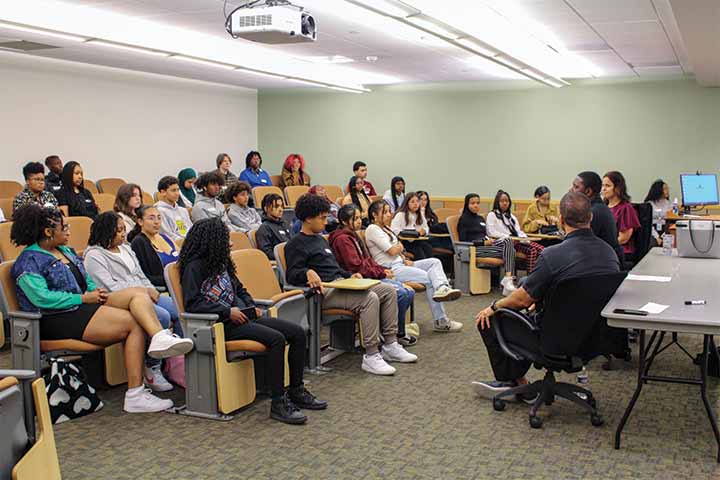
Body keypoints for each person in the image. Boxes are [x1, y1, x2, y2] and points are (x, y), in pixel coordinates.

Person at [10, 204, 192, 413]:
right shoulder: (28, 261)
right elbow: (41, 298)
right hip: (57, 318)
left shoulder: (65, 251)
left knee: (139, 294)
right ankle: (135, 394)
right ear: (48, 232)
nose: (69, 231)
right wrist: (83, 297)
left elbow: (85, 279)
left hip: (83, 305)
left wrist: (93, 292)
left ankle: (159, 337)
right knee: (134, 323)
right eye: (64, 227)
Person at [472, 192, 621, 398]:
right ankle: (516, 383)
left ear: (561, 220)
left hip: (553, 341)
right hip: (593, 340)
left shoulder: (553, 255)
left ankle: (515, 383)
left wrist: (494, 306)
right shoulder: (609, 253)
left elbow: (521, 300)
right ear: (591, 218)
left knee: (489, 317)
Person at [180, 217, 326, 424]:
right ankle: (278, 402)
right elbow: (192, 304)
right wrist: (226, 312)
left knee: (297, 333)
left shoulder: (221, 262)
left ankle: (296, 389)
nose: (229, 242)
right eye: (225, 238)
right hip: (219, 326)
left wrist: (250, 307)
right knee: (275, 339)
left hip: (241, 318)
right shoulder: (194, 268)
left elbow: (240, 289)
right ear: (212, 241)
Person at [285, 194, 417, 375]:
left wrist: (350, 274)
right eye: (322, 218)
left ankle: (390, 344)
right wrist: (307, 272)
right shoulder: (295, 244)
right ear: (308, 219)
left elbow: (333, 268)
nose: (325, 222)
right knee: (369, 298)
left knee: (388, 290)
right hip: (325, 293)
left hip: (342, 283)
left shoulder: (319, 239)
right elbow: (291, 274)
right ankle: (371, 355)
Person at [84, 212, 182, 392]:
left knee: (180, 310)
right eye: (118, 230)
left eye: (123, 229)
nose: (123, 234)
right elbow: (110, 287)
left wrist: (150, 288)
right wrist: (142, 290)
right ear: (106, 232)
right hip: (120, 301)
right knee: (163, 316)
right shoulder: (94, 256)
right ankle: (152, 365)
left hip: (142, 293)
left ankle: (177, 362)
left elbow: (140, 275)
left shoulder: (127, 249)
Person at [365, 200, 463, 332]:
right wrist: (399, 249)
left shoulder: (386, 229)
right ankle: (441, 321)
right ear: (374, 215)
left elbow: (399, 249)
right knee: (429, 279)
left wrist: (403, 256)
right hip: (391, 269)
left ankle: (442, 287)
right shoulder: (373, 229)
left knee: (434, 262)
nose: (390, 214)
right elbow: (393, 250)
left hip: (401, 263)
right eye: (385, 212)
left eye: (389, 211)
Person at [329, 204, 417, 346]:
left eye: (359, 217)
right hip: (357, 280)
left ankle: (395, 330)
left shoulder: (354, 235)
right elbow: (357, 266)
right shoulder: (342, 239)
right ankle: (391, 332)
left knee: (408, 291)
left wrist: (381, 270)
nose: (359, 221)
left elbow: (368, 260)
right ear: (345, 222)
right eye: (355, 218)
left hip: (369, 275)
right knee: (401, 293)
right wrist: (380, 272)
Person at [457, 194, 518, 295]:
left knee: (508, 241)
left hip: (487, 246)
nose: (476, 205)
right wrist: (483, 243)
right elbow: (463, 240)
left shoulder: (480, 218)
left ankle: (507, 278)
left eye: (478, 203)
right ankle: (508, 280)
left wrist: (489, 240)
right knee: (511, 251)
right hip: (475, 249)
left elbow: (484, 234)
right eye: (473, 203)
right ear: (467, 205)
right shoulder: (464, 220)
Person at [486, 190, 545, 273]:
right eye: (502, 201)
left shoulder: (511, 217)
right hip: (502, 243)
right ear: (497, 202)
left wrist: (524, 238)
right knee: (535, 250)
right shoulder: (492, 215)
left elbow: (518, 231)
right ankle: (530, 279)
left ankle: (532, 276)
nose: (505, 203)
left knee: (540, 250)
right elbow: (491, 232)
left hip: (516, 242)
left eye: (507, 201)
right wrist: (508, 236)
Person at [571, 171, 623, 261]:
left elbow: (580, 245)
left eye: (576, 187)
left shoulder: (594, 212)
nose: (571, 190)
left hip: (603, 263)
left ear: (588, 192)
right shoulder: (598, 207)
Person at [129, 205, 179, 289]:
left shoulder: (165, 237)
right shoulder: (139, 242)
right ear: (140, 221)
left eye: (159, 218)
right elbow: (145, 276)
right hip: (166, 286)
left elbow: (183, 258)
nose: (157, 222)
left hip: (181, 280)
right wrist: (174, 279)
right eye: (151, 218)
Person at [603, 171, 641, 257]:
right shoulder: (603, 207)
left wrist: (603, 247)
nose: (603, 189)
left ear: (618, 188)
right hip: (606, 249)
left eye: (608, 186)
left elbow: (624, 238)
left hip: (620, 251)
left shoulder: (626, 208)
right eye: (603, 185)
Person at [390, 192, 434, 260]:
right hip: (405, 243)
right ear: (407, 203)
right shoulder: (400, 215)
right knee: (419, 252)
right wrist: (410, 233)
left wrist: (424, 231)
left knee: (428, 248)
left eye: (417, 201)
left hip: (418, 241)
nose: (416, 204)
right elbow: (394, 230)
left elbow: (426, 227)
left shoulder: (419, 214)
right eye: (412, 202)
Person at [155, 176, 193, 242]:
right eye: (173, 190)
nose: (177, 193)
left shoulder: (183, 210)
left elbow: (192, 229)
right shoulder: (159, 211)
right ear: (163, 192)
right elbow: (167, 235)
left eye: (178, 190)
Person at [256, 193, 291, 261]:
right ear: (266, 208)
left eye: (281, 206)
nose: (280, 209)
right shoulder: (264, 228)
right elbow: (267, 253)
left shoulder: (285, 224)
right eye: (276, 206)